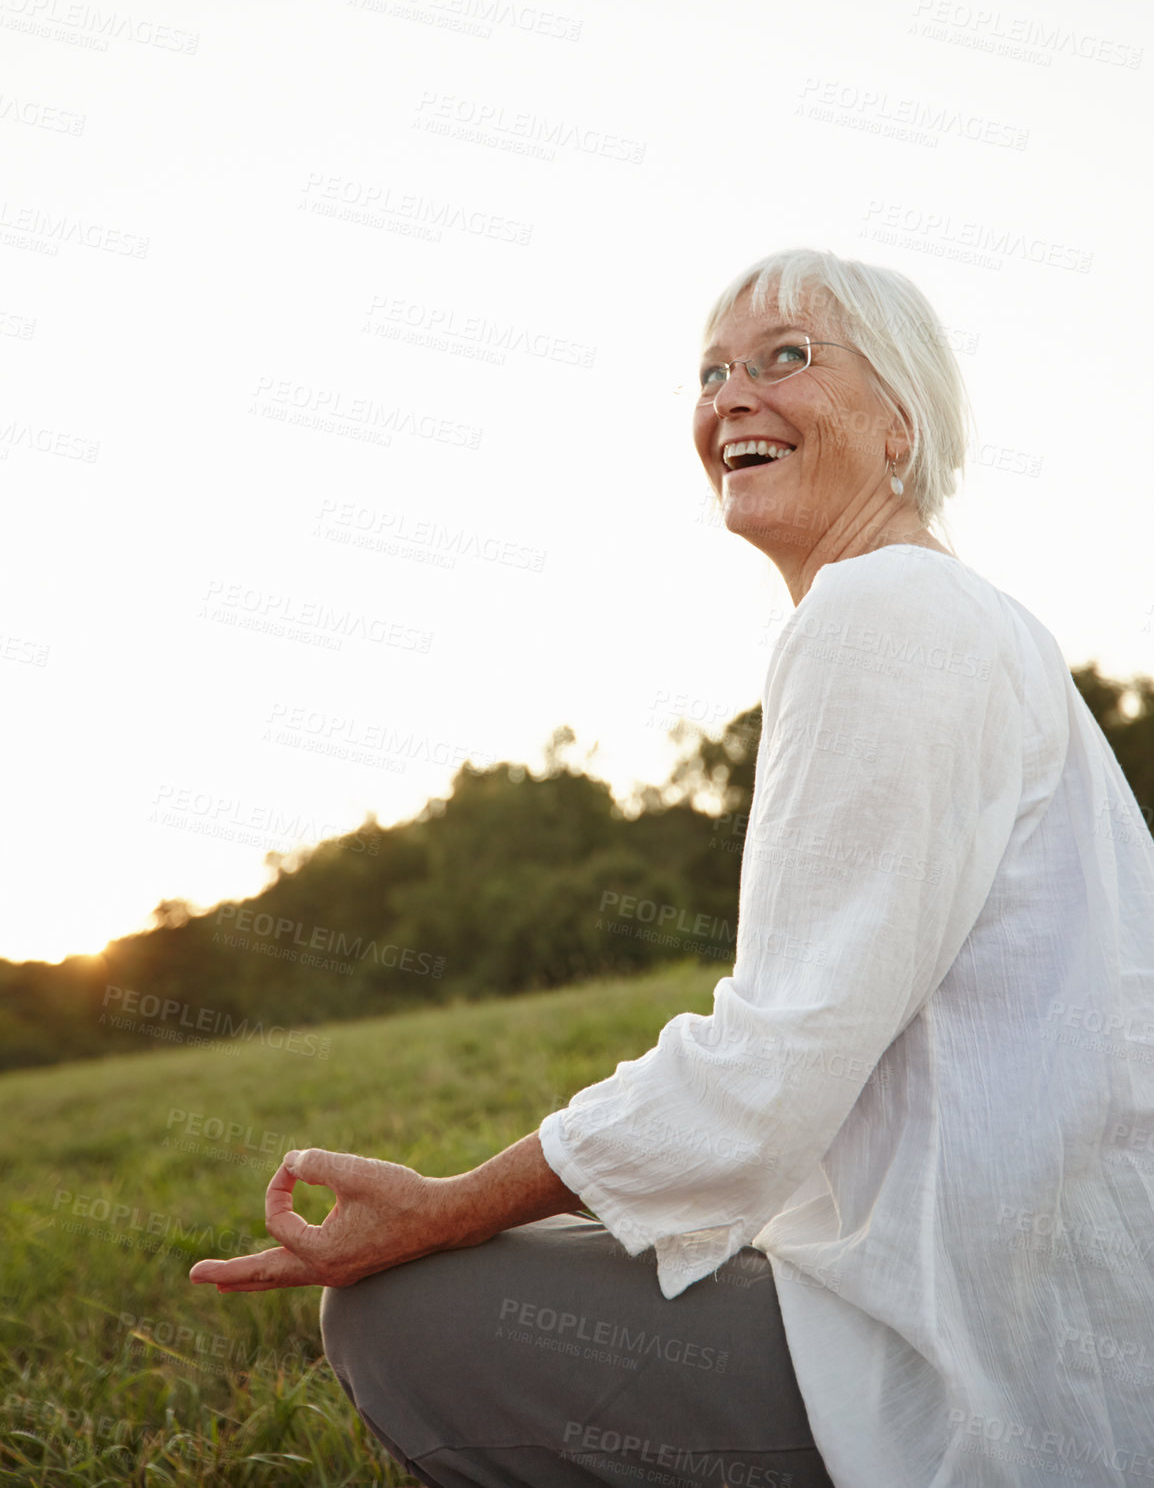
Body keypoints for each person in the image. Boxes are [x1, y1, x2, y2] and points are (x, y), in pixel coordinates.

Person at [190, 248, 1154, 1488]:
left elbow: (775, 1060)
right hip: (1060, 1330)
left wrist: (452, 1202)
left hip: (972, 1369)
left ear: (898, 422)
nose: (729, 399)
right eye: (710, 374)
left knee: (406, 1317)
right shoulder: (975, 620)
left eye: (783, 359)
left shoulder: (876, 615)